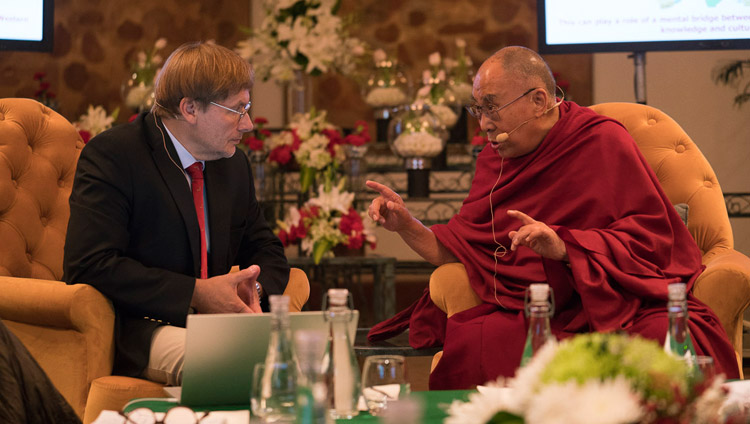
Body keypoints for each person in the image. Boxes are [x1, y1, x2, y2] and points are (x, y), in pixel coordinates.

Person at [366, 46, 740, 389]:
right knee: (479, 339)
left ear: (539, 100)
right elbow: (461, 247)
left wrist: (566, 247)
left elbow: (654, 241)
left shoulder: (602, 142)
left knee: (664, 337)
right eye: (478, 109)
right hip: (538, 305)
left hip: (617, 300)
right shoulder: (495, 161)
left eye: (492, 107)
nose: (484, 124)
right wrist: (406, 226)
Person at [63, 41, 289, 385]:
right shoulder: (114, 156)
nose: (248, 125)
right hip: (139, 326)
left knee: (303, 356)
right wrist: (196, 293)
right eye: (236, 109)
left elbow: (266, 249)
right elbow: (90, 264)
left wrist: (251, 292)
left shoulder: (232, 164)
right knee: (235, 367)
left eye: (248, 107)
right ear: (190, 109)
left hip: (215, 326)